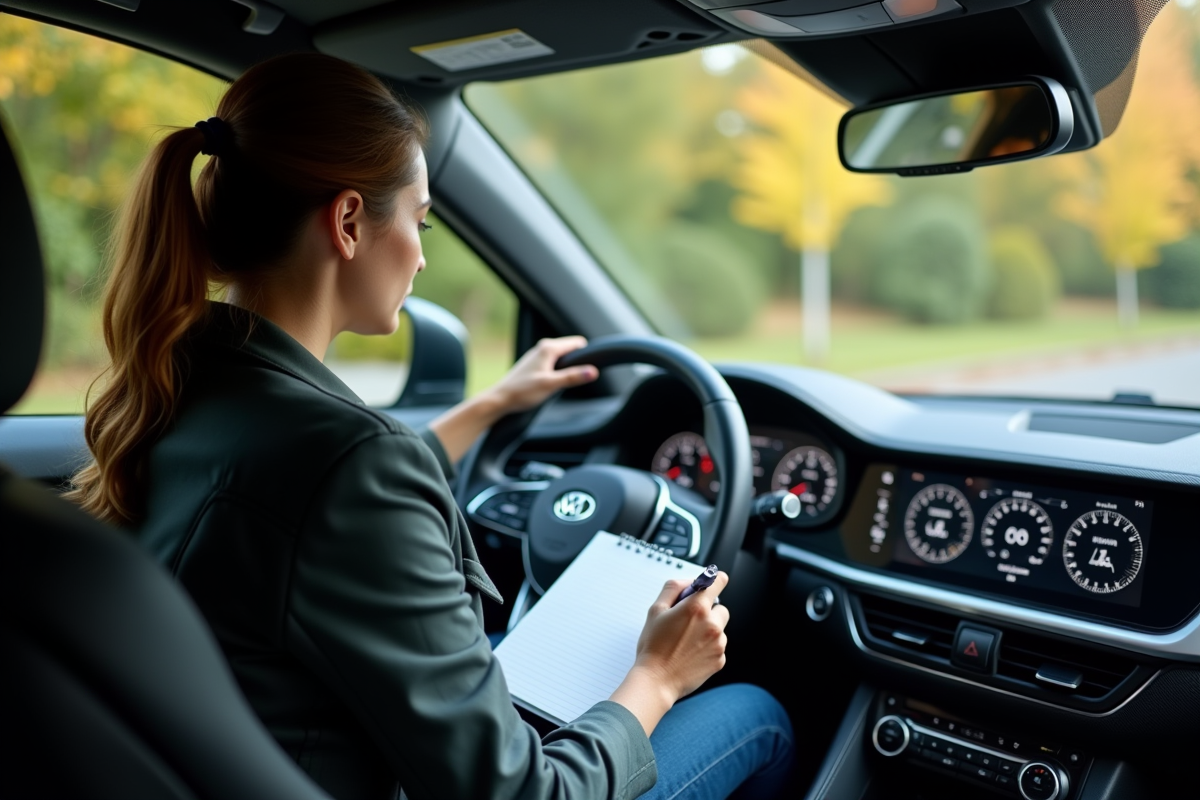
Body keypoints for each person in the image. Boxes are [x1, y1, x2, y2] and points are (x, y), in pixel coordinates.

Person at [69, 52, 793, 800]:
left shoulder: (180, 394)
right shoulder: (348, 464)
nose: (420, 256)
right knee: (757, 715)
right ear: (348, 221)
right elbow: (519, 793)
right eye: (419, 221)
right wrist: (657, 676)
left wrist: (492, 406)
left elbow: (317, 504)